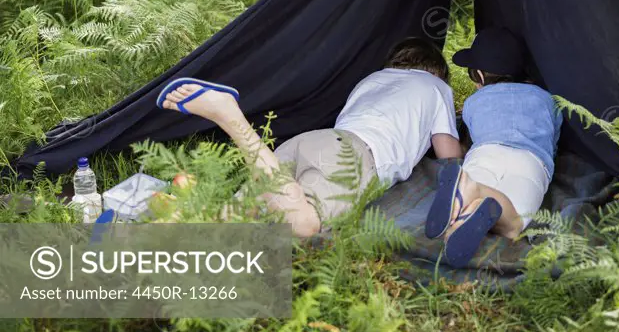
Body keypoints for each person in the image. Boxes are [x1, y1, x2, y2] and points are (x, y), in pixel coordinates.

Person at [157, 36, 462, 237]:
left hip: (316, 140)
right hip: (354, 156)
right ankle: (230, 116)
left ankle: (157, 231)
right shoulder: (436, 87)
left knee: (234, 216)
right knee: (304, 224)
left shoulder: (373, 79)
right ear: (435, 71)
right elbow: (448, 154)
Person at [425, 26, 562, 267]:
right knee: (515, 224)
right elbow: (553, 142)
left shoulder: (473, 102)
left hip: (485, 153)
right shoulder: (547, 99)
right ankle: (476, 202)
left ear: (478, 75)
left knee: (472, 191)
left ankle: (467, 195)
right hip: (530, 161)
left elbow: (469, 139)